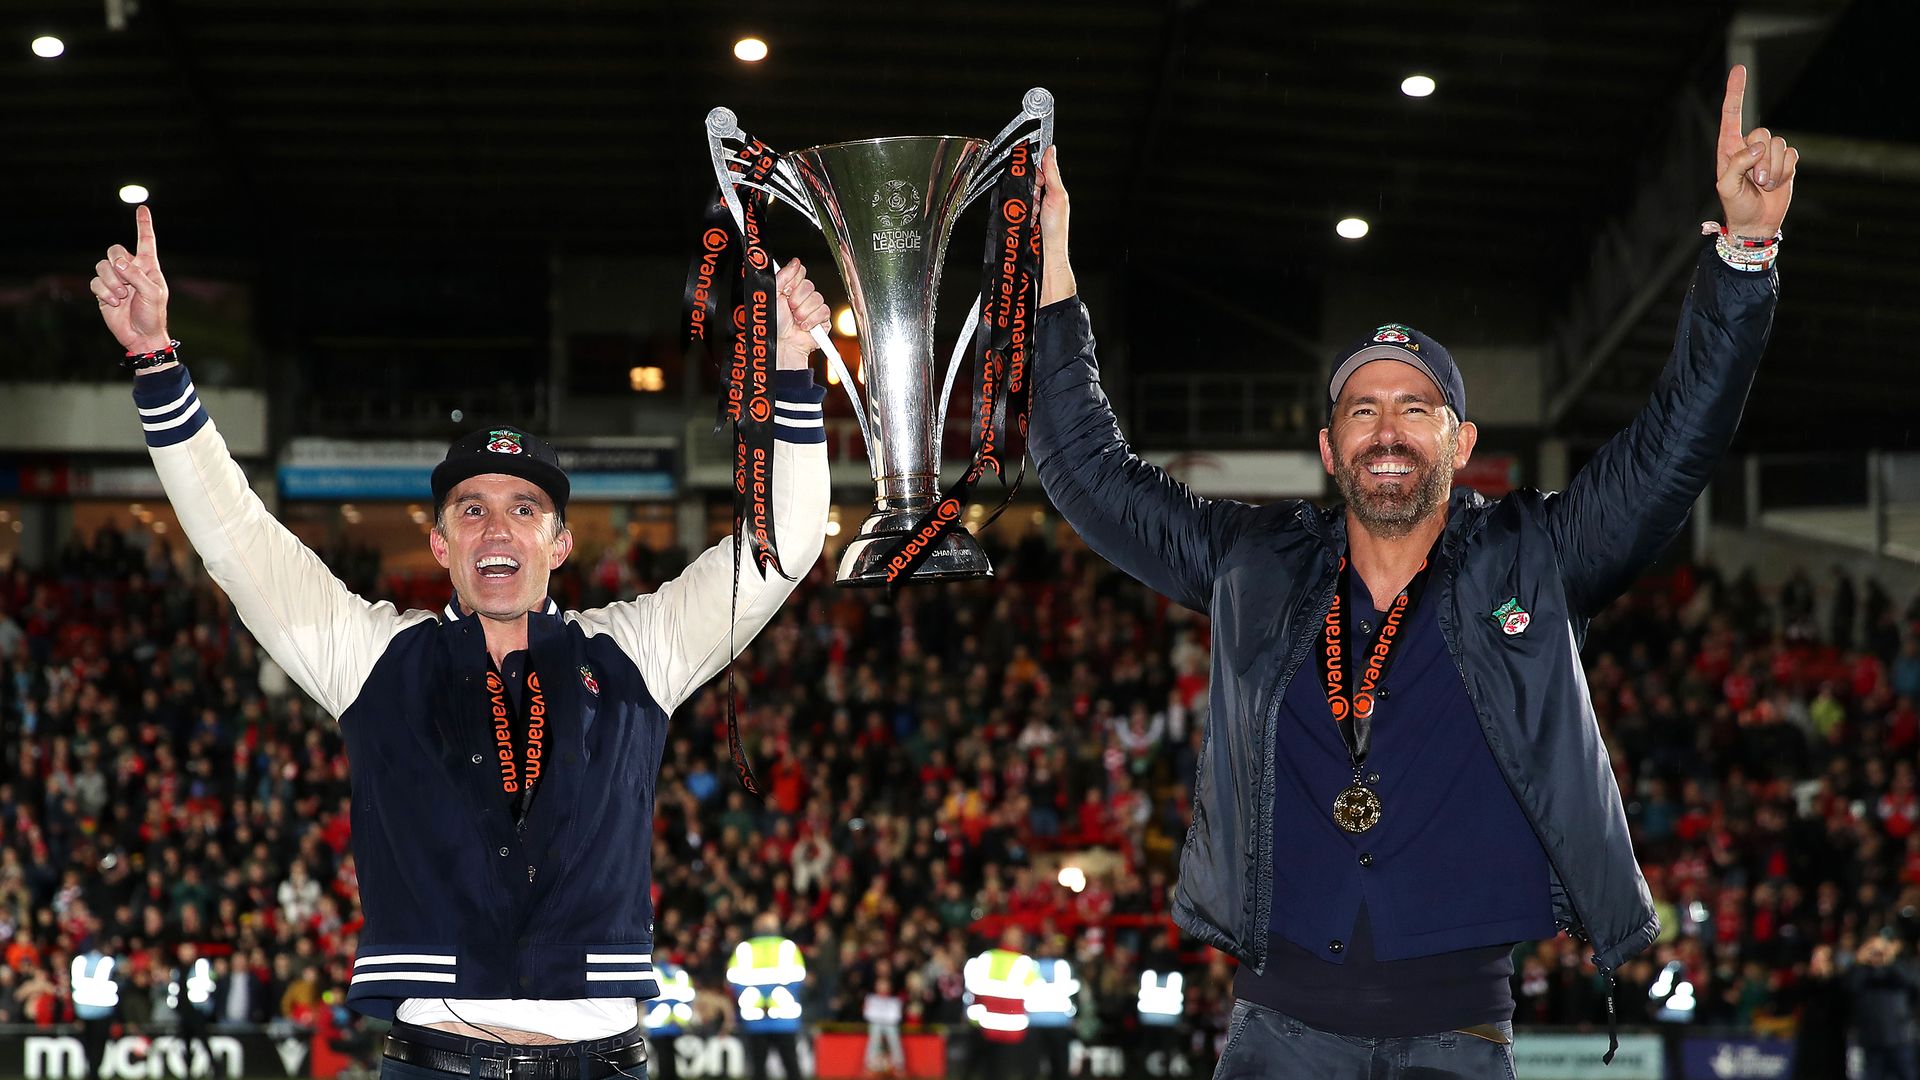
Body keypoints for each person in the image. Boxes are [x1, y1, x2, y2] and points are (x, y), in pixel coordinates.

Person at [1027, 65, 1796, 1079]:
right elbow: (1086, 470)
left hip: (1457, 1037)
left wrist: (1743, 256)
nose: (1387, 428)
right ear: (1329, 445)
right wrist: (1050, 267)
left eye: (1414, 407)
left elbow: (1673, 448)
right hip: (1277, 1034)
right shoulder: (1252, 565)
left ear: (1460, 437)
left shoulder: (1536, 556)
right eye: (1362, 409)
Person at [88, 209, 832, 1080]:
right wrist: (155, 361)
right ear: (440, 545)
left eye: (524, 509)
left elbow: (786, 545)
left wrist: (789, 367)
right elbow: (236, 540)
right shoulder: (374, 657)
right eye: (470, 509)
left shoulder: (637, 652)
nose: (496, 530)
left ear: (559, 545)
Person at [727, 912, 807, 1080]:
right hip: (784, 1018)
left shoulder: (745, 949)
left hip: (755, 1017)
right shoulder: (787, 947)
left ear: (756, 927)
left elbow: (733, 981)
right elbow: (799, 979)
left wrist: (760, 1000)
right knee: (791, 1066)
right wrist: (773, 998)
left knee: (758, 1068)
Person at [1850, 935, 1920, 1080]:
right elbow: (1850, 986)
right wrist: (1860, 961)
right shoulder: (1862, 972)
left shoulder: (1901, 966)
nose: (1877, 953)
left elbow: (1911, 981)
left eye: (1880, 949)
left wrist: (1889, 959)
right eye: (1873, 949)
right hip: (1872, 1039)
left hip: (1900, 1038)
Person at [862, 974, 905, 1078]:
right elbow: (867, 1014)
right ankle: (870, 1065)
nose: (882, 987)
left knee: (893, 1033)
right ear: (876, 986)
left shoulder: (894, 1000)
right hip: (876, 1024)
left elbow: (896, 1017)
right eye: (880, 984)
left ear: (889, 986)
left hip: (890, 1025)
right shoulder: (871, 998)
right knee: (875, 1032)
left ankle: (899, 1065)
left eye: (885, 984)